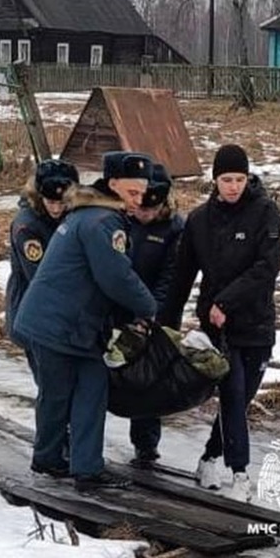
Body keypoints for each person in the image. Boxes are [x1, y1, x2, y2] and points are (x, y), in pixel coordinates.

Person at [13, 151, 157, 493]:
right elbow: (115, 277)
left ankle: (49, 458)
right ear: (112, 184)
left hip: (51, 321)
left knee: (57, 395)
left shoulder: (88, 214)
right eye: (132, 192)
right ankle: (86, 469)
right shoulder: (102, 222)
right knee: (89, 390)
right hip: (63, 324)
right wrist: (149, 308)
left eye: (142, 193)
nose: (138, 200)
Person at [161, 144, 280, 502]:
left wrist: (227, 301)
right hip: (218, 328)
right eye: (226, 179)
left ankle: (209, 457)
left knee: (241, 399)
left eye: (240, 179)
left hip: (256, 322)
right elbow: (182, 276)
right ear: (215, 180)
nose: (233, 186)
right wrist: (165, 326)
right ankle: (240, 473)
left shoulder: (265, 213)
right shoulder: (200, 220)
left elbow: (267, 266)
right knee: (231, 393)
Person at [127, 163, 185, 469]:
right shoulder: (122, 217)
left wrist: (150, 317)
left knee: (147, 381)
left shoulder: (175, 229)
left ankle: (146, 445)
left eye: (150, 210)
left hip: (156, 314)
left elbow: (170, 280)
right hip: (120, 308)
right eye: (139, 208)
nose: (143, 215)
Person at [6, 158, 78, 384]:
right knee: (51, 387)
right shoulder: (27, 226)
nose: (56, 208)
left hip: (65, 315)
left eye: (61, 202)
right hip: (35, 311)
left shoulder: (74, 213)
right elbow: (41, 278)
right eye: (50, 202)